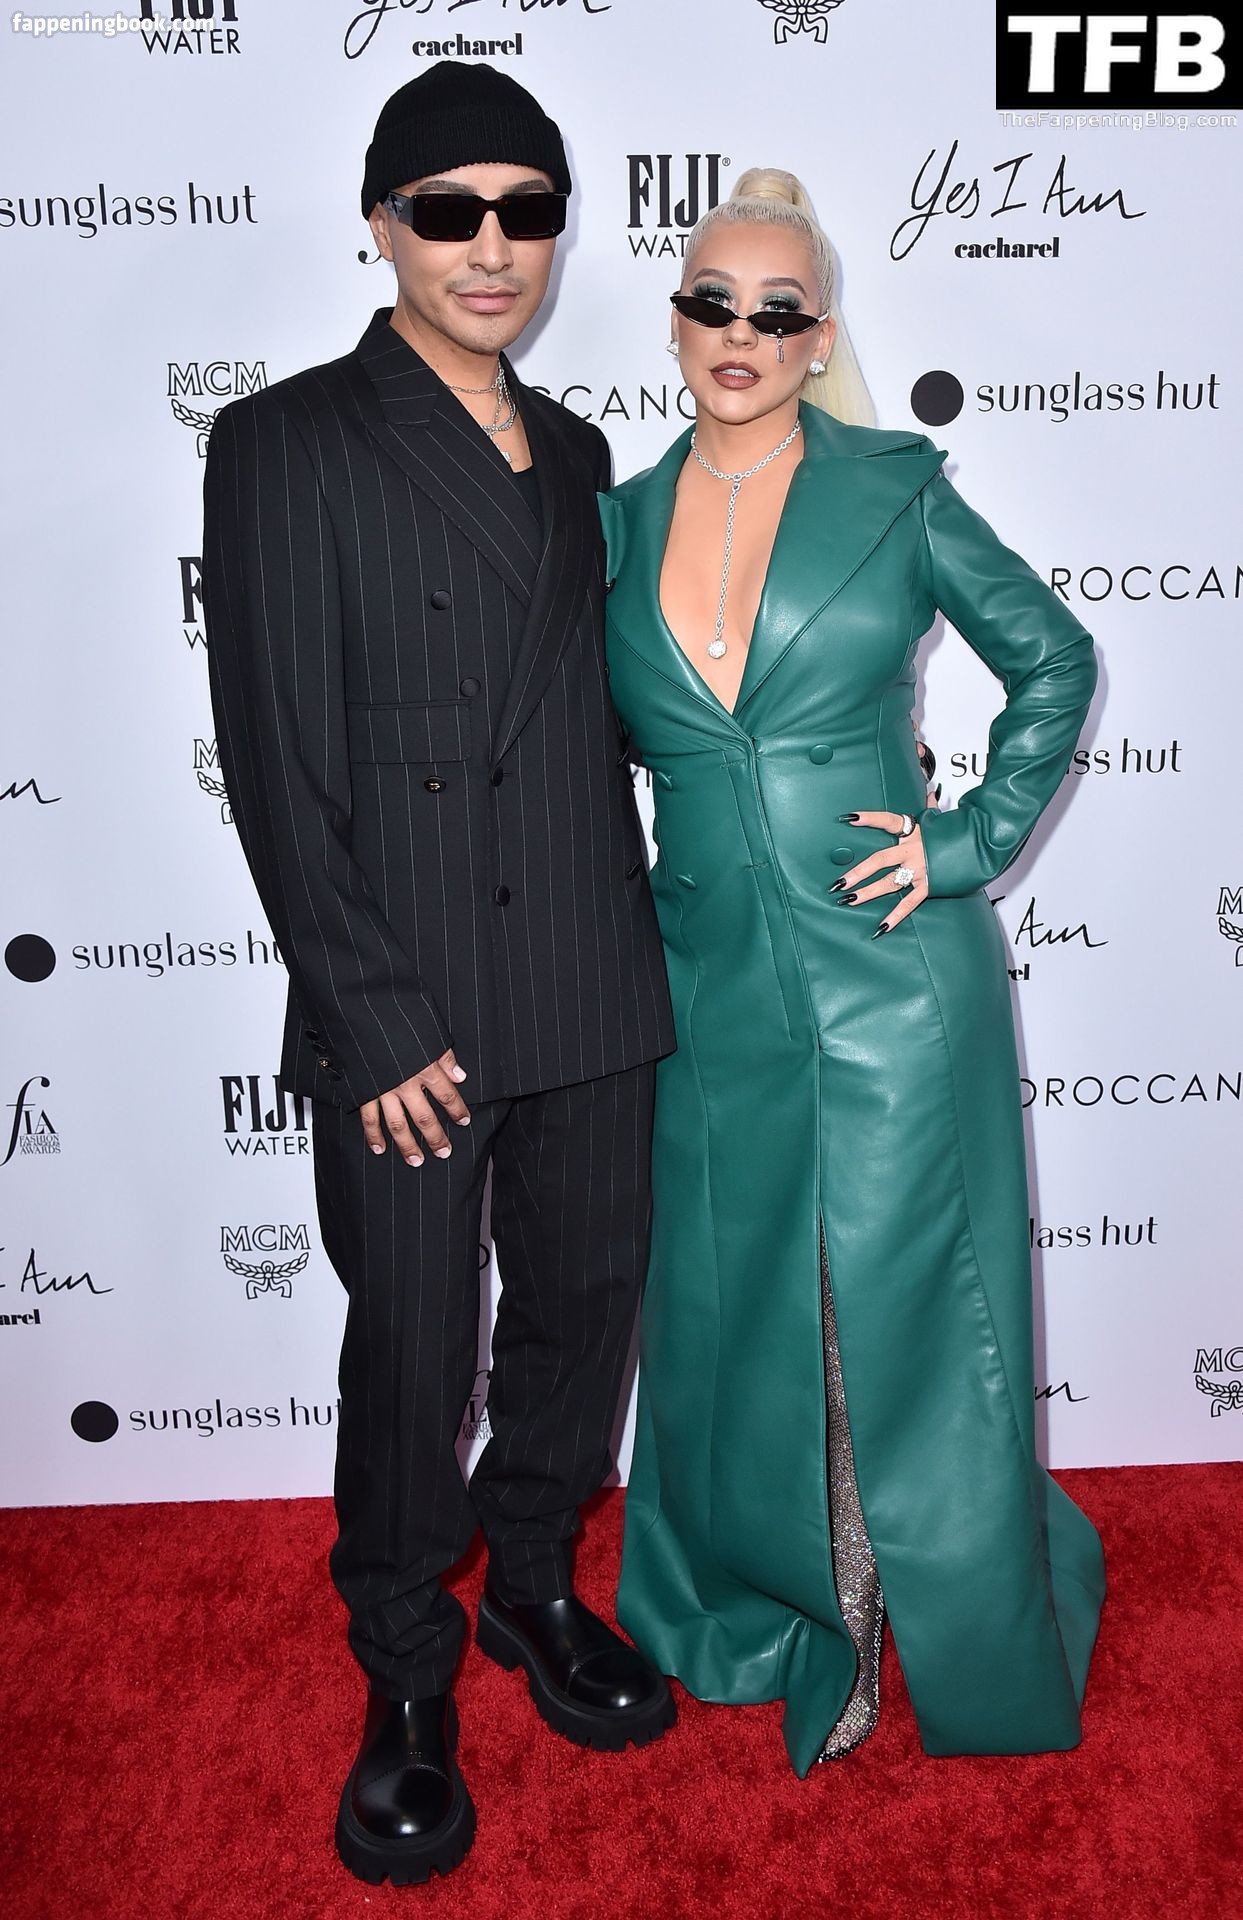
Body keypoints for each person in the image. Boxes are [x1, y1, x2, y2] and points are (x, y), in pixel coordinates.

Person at [201, 62, 678, 1888]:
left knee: (583, 1309)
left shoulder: (580, 453)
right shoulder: (287, 441)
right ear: (384, 224)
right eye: (452, 210)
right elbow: (276, 760)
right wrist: (374, 1014)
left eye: (527, 211)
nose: (494, 247)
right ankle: (406, 1667)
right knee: (413, 1347)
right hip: (408, 1001)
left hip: (588, 968)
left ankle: (532, 1582)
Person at [598, 168, 1106, 1776]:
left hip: (895, 973)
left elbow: (1054, 656)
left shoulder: (894, 493)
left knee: (898, 1305)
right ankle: (774, 1601)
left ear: (820, 337)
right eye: (711, 301)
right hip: (705, 993)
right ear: (674, 320)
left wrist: (969, 842)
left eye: (778, 310)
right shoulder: (613, 523)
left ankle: (924, 1617)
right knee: (741, 1312)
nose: (739, 333)